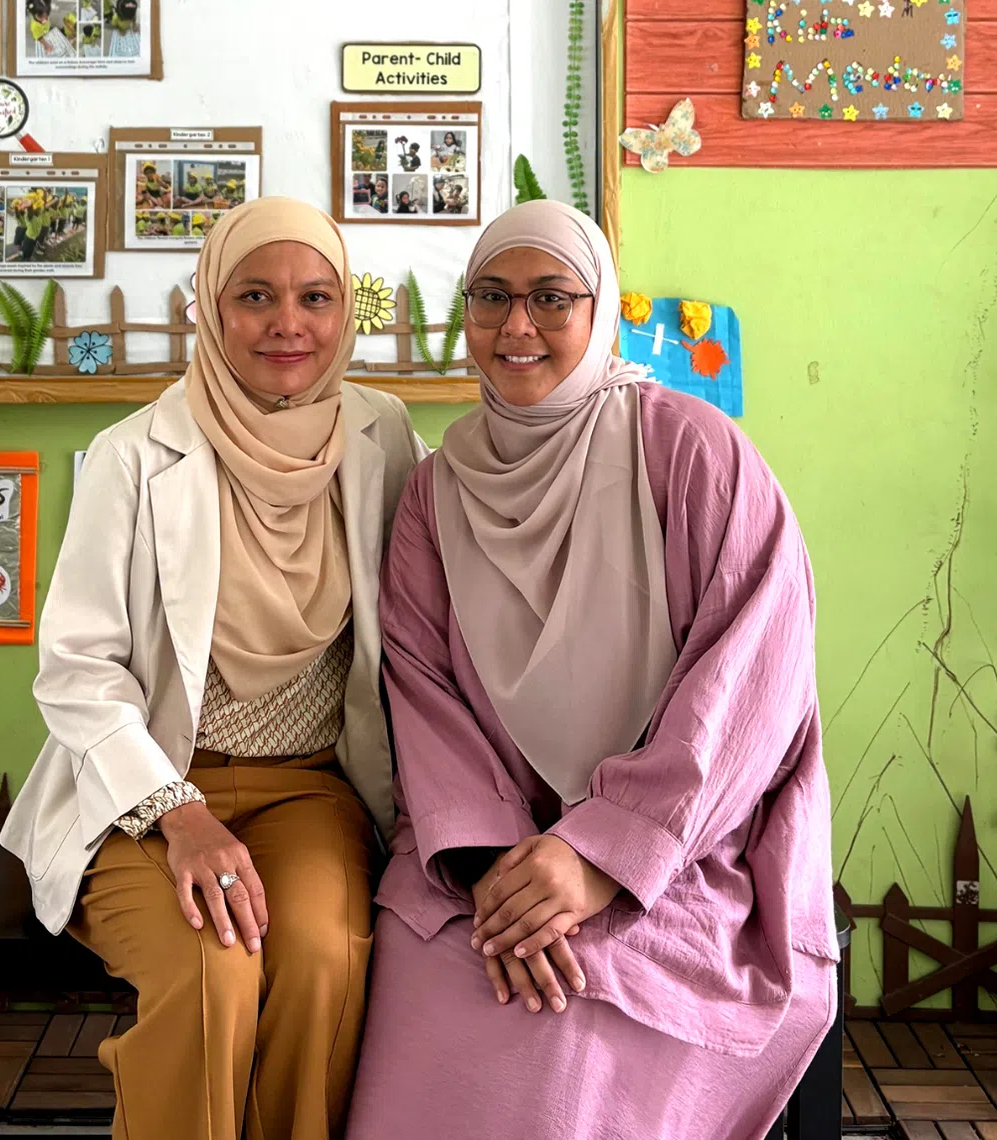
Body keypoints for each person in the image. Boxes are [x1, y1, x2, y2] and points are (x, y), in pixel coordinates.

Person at [345, 200, 840, 1140]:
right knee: (442, 986)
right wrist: (498, 865)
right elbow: (422, 691)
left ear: (599, 309)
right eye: (491, 297)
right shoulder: (439, 489)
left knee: (566, 1018)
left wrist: (602, 855)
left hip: (686, 845)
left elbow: (748, 687)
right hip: (486, 853)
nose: (516, 327)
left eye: (549, 299)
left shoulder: (692, 451)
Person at [0, 197, 427, 1140]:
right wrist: (179, 814)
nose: (288, 323)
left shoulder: (380, 435)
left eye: (316, 296)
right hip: (144, 797)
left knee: (322, 959)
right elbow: (77, 667)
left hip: (314, 793)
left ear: (343, 310)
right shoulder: (132, 454)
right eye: (255, 296)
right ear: (210, 306)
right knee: (210, 974)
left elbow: (443, 593)